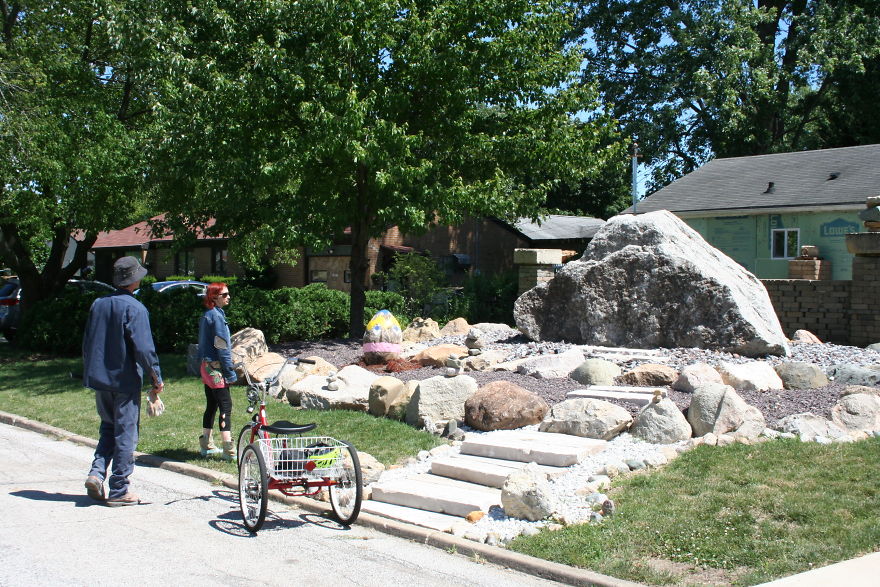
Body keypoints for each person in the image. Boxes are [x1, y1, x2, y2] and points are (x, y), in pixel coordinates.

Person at [82, 256, 163, 506]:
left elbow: (88, 342)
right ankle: (119, 489)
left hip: (100, 379)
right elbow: (144, 349)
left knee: (108, 427)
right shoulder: (135, 308)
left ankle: (96, 473)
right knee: (126, 432)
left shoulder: (98, 304)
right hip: (124, 381)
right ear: (135, 280)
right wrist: (156, 377)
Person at [197, 282, 237, 460]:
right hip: (216, 370)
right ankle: (229, 451)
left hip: (206, 367)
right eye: (225, 295)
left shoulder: (207, 315)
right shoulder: (217, 318)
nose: (228, 297)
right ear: (214, 297)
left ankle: (206, 445)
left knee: (211, 406)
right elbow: (221, 346)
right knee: (225, 407)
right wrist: (230, 372)